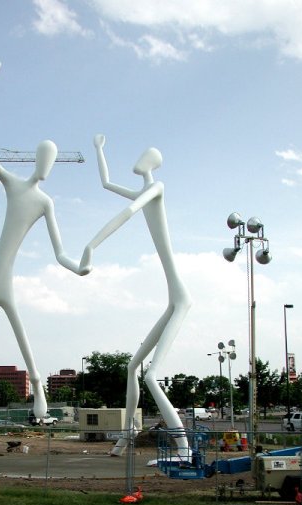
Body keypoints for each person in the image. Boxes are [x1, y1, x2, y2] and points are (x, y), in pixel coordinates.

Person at [0, 64, 89, 464]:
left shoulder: (46, 202)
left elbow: (59, 253)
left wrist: (78, 267)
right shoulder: (13, 184)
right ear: (36, 159)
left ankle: (39, 395)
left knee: (32, 361)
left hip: (9, 285)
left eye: (53, 160)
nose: (47, 165)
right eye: (44, 158)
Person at [80, 135, 192, 457]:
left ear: (152, 163)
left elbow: (129, 212)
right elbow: (106, 184)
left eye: (145, 156)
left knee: (152, 375)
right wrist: (100, 149)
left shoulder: (156, 188)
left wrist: (91, 246)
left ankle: (183, 448)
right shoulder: (145, 190)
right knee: (132, 368)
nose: (138, 159)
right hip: (172, 299)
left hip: (180, 298)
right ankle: (126, 438)